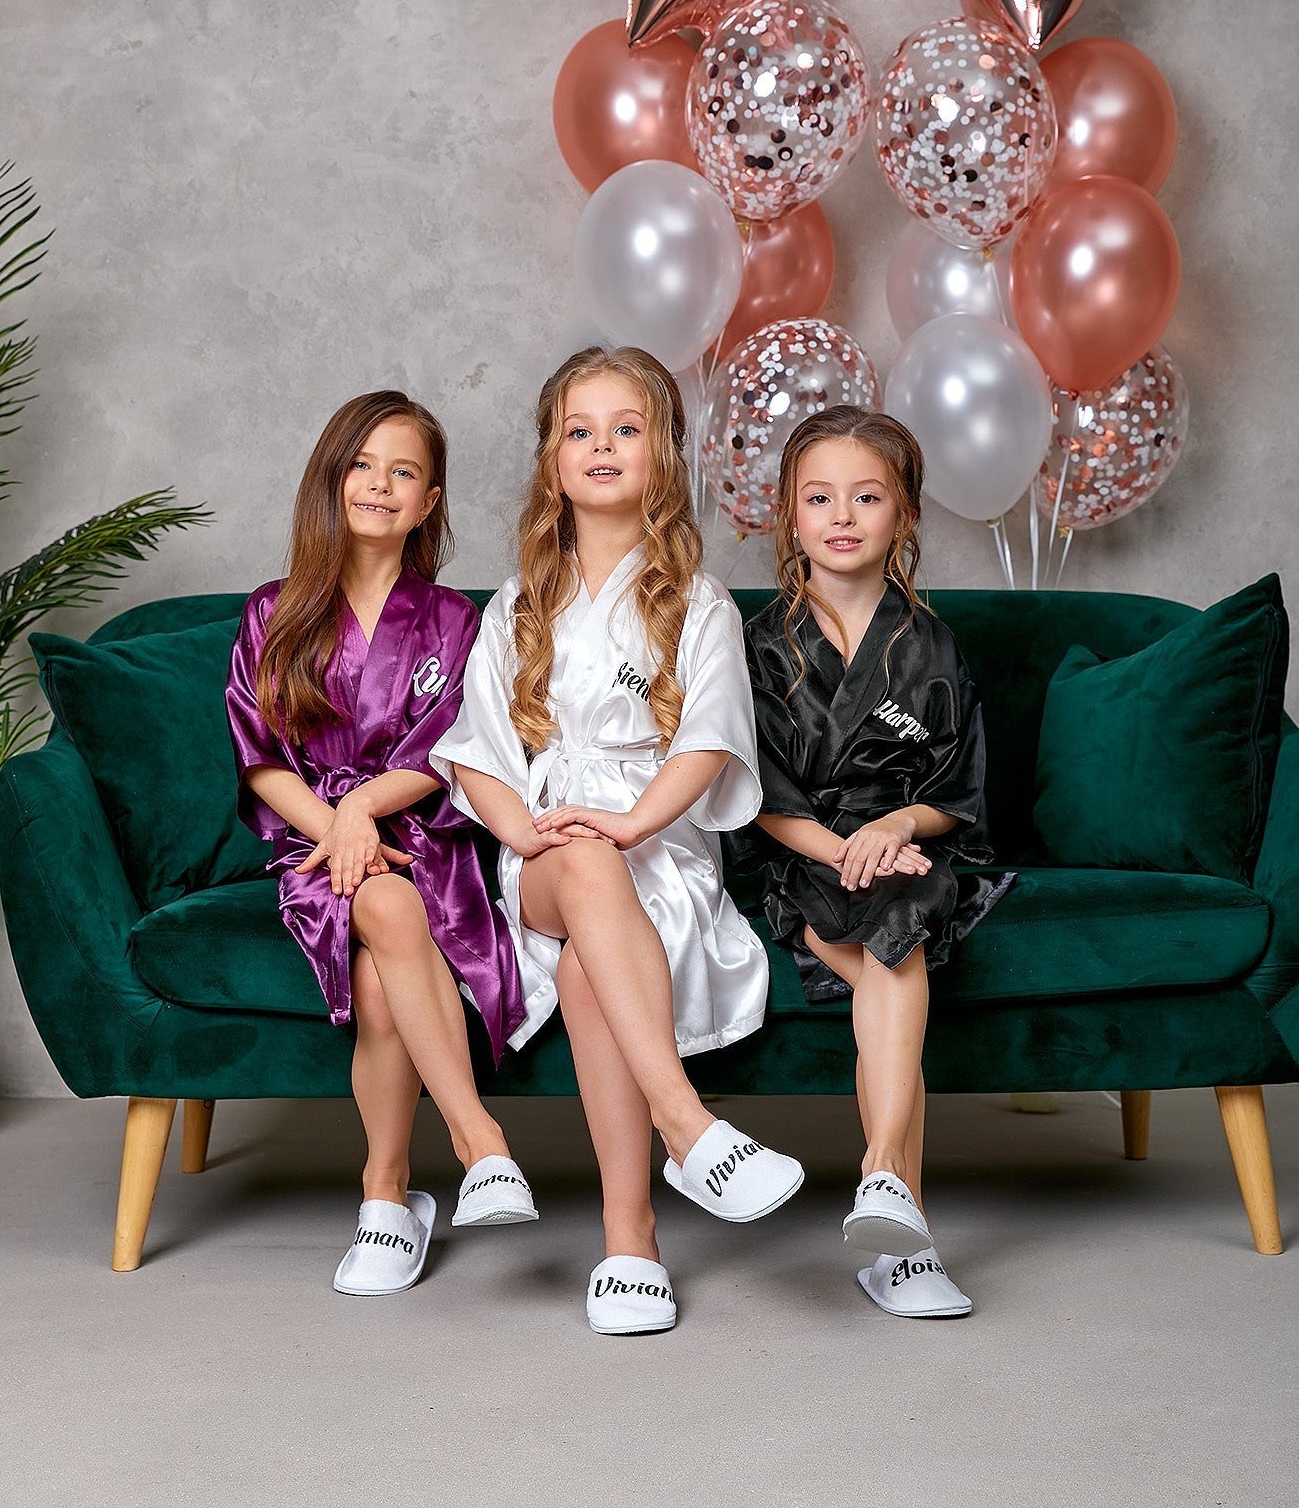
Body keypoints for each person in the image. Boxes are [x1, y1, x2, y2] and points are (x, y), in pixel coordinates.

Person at [432, 346, 804, 1337]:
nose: (601, 446)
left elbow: (711, 738)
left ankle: (629, 1240)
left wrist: (636, 821)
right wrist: (525, 828)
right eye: (579, 430)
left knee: (592, 968)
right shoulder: (517, 602)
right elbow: (474, 749)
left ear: (663, 454)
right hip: (543, 846)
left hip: (659, 846)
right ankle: (688, 1125)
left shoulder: (699, 601)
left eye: (626, 428)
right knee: (583, 863)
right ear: (552, 460)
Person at [226, 391, 547, 1297]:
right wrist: (339, 826)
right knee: (386, 905)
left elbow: (451, 747)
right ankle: (479, 1142)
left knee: (380, 979)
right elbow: (260, 760)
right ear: (331, 481)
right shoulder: (273, 610)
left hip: (421, 835)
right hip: (314, 841)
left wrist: (365, 808)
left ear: (428, 500)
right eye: (362, 465)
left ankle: (385, 1195)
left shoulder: (453, 620)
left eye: (403, 471)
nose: (379, 484)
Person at [740, 405, 1010, 1319]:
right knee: (893, 960)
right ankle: (901, 1219)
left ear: (904, 514)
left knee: (896, 935)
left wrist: (894, 824)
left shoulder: (930, 643)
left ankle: (888, 1193)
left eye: (866, 497)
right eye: (819, 497)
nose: (842, 516)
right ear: (788, 514)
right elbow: (755, 791)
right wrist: (840, 846)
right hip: (802, 851)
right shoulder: (760, 644)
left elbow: (956, 788)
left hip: (901, 854)